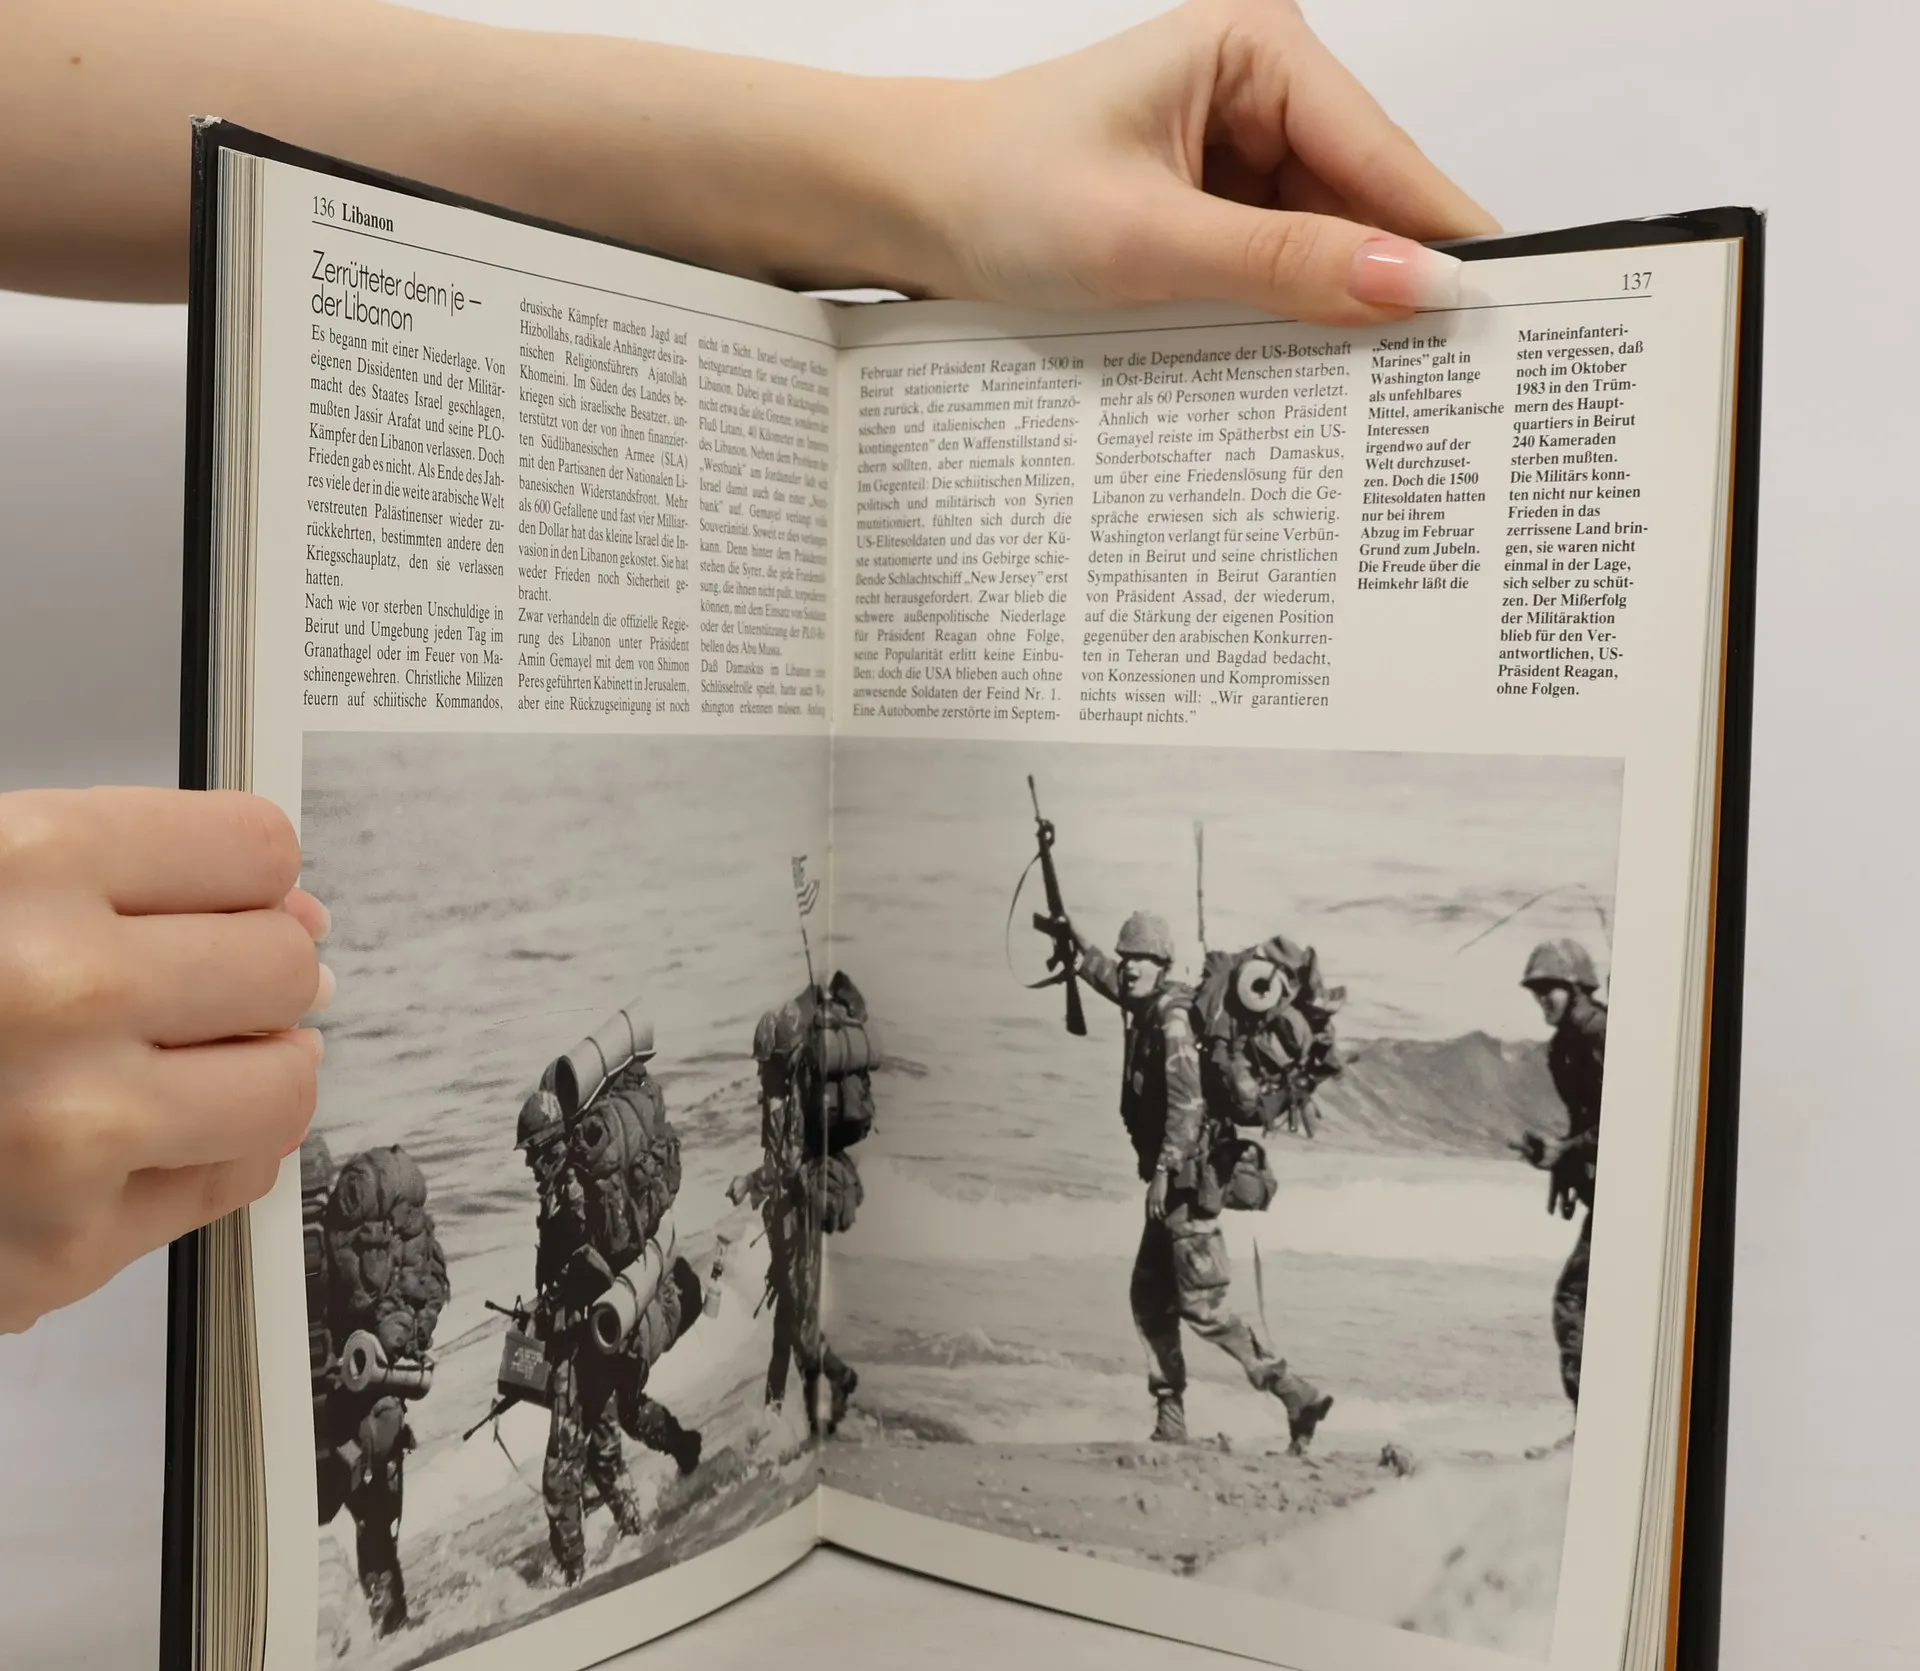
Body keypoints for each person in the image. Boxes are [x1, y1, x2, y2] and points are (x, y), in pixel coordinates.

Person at [0, 0, 1492, 1336]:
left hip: (1155, 1181)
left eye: (1154, 964)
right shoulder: (1130, 1003)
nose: (1151, 974)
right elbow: (1097, 972)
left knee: (1156, 1299)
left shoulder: (1165, 1020)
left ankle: (1226, 1391)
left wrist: (926, 176)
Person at [1072, 911, 1332, 1450]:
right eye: (1125, 958)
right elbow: (1113, 981)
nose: (1129, 968)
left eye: (1141, 959)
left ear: (1163, 964)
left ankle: (1294, 1394)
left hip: (1187, 1184)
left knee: (1204, 1309)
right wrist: (1074, 941)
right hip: (1176, 1186)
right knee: (1150, 1296)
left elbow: (1187, 1106)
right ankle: (1171, 1419)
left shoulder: (1172, 1021)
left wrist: (1162, 1172)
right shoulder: (1149, 1003)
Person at [517, 1084, 700, 1586]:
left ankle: (573, 1578)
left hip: (590, 1342)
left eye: (534, 1154)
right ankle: (643, 1518)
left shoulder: (572, 1195)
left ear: (551, 1147)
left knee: (561, 1474)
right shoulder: (569, 1187)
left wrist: (554, 1307)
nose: (530, 1165)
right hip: (605, 1339)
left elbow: (591, 1270)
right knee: (609, 1441)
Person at [304, 1129, 450, 1633]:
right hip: (368, 1412)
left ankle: (370, 1633)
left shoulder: (326, 1248)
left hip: (332, 1418)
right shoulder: (357, 1243)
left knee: (342, 1524)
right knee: (375, 1532)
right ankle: (389, 1628)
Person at [724, 994, 861, 1434]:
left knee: (798, 1329)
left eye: (766, 1064)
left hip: (801, 1222)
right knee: (785, 1328)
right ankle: (776, 1419)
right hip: (790, 1225)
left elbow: (786, 1164)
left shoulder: (797, 1096)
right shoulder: (784, 1096)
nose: (760, 1073)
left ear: (782, 1059)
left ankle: (836, 1385)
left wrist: (749, 1181)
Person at [1515, 938, 1607, 1409]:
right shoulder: (1561, 1049)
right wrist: (1560, 1163)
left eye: (1548, 988)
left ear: (1576, 987)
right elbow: (1585, 1121)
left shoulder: (1603, 1034)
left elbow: (1632, 1119)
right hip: (1612, 1197)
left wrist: (1566, 1151)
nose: (1541, 999)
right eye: (1536, 991)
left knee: (1573, 1302)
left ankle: (1591, 1423)